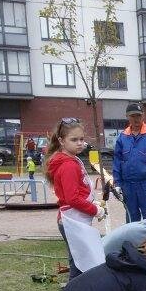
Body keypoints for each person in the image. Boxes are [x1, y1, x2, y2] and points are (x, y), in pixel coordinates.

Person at [44, 118, 100, 280]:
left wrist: (91, 202)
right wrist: (95, 209)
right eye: (74, 140)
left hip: (74, 218)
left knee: (79, 260)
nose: (79, 143)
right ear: (61, 141)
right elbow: (73, 198)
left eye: (82, 139)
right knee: (80, 263)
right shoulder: (68, 165)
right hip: (73, 219)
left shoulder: (71, 160)